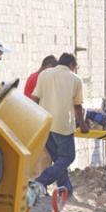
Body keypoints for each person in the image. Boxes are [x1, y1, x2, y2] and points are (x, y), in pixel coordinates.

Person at [31, 53, 89, 196]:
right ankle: (40, 181)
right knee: (68, 157)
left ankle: (66, 190)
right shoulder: (75, 79)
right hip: (63, 126)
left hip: (46, 124)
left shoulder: (44, 75)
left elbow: (34, 98)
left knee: (58, 159)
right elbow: (77, 106)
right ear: (72, 65)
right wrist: (82, 125)